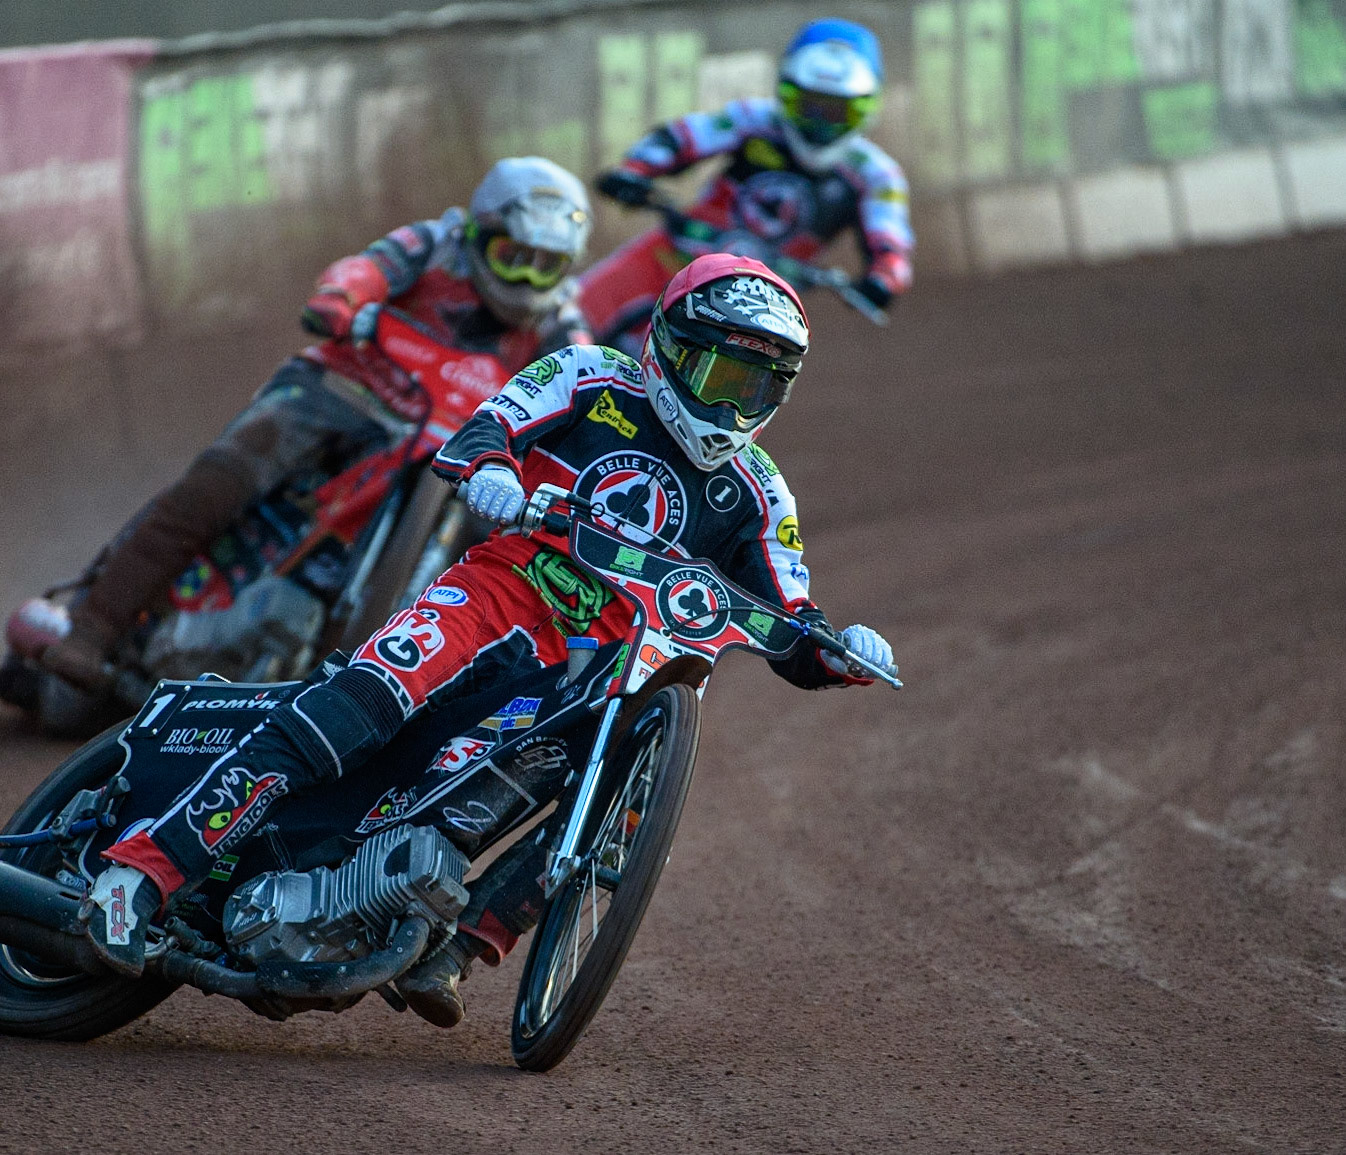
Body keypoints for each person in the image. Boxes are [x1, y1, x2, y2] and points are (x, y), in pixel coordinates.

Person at [82, 254, 896, 1033]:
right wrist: (493, 474)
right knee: (362, 703)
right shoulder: (588, 375)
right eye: (722, 377)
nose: (732, 406)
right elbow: (481, 433)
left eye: (756, 387)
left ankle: (463, 947)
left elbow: (793, 618)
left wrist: (840, 649)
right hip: (499, 591)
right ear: (672, 348)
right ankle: (139, 872)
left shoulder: (760, 493)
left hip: (596, 667)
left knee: (614, 797)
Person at [35, 157, 594, 693]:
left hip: (452, 448)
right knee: (220, 483)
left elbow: (585, 384)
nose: (526, 280)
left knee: (509, 532)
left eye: (547, 265)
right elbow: (365, 270)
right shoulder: (432, 246)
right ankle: (93, 627)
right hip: (345, 391)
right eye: (511, 256)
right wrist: (341, 299)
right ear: (479, 234)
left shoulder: (561, 327)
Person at [580, 18, 913, 341]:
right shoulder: (754, 120)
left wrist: (882, 280)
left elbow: (891, 245)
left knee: (699, 382)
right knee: (572, 313)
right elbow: (682, 138)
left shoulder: (876, 176)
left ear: (868, 108)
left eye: (838, 112)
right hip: (674, 254)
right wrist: (635, 171)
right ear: (784, 93)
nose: (820, 124)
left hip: (753, 304)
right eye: (807, 106)